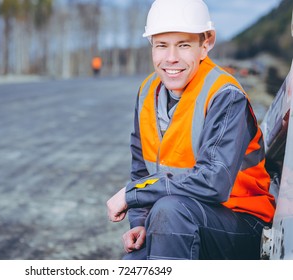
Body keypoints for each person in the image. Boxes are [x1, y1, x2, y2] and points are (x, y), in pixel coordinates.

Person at [106, 0, 276, 260]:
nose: (171, 57)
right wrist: (140, 220)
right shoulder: (146, 93)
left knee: (170, 211)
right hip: (181, 216)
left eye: (183, 45)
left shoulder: (224, 95)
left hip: (242, 222)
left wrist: (133, 195)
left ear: (205, 44)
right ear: (152, 45)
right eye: (162, 45)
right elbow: (141, 168)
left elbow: (213, 182)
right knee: (134, 261)